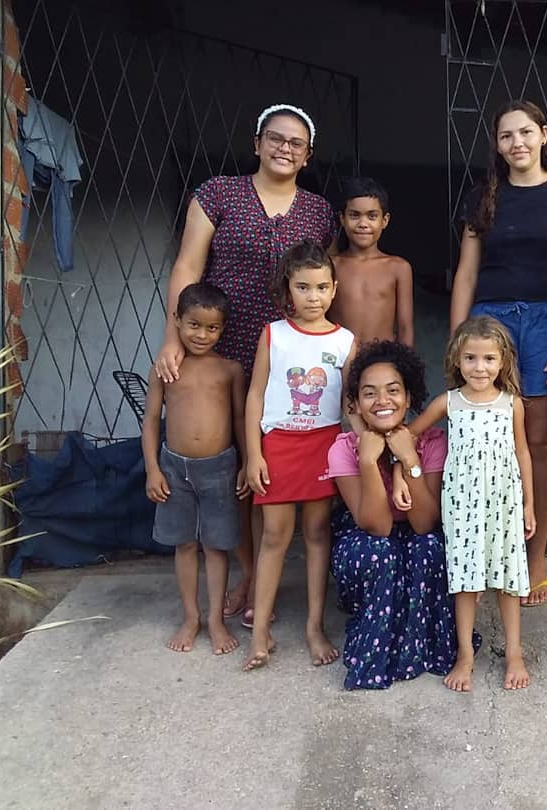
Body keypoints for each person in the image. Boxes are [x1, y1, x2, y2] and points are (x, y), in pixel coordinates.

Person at [155, 103, 335, 626]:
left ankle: (263, 577)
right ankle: (247, 571)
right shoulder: (218, 194)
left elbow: (320, 279)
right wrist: (174, 336)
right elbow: (188, 265)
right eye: (275, 139)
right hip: (222, 345)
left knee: (271, 462)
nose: (285, 148)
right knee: (232, 464)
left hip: (289, 354)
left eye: (296, 143)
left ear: (307, 156)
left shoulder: (319, 212)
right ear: (256, 143)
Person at [449, 99, 547, 607]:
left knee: (538, 441)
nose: (518, 143)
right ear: (498, 144)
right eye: (507, 136)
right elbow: (466, 271)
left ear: (545, 135)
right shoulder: (483, 196)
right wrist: (458, 337)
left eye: (526, 133)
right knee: (487, 440)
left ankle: (535, 556)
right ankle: (488, 552)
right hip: (492, 321)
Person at [395, 316, 535, 691]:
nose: (480, 367)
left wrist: (529, 505)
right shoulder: (449, 403)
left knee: (508, 580)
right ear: (457, 359)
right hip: (463, 506)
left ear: (503, 362)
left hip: (505, 501)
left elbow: (523, 452)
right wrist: (399, 472)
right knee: (466, 582)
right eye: (471, 358)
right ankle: (465, 656)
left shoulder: (512, 404)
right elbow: (407, 435)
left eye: (489, 359)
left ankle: (514, 653)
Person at [242, 241, 357, 671]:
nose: (313, 297)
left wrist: (363, 445)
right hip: (278, 445)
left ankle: (313, 627)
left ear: (334, 289)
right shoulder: (274, 334)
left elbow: (350, 404)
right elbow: (255, 395)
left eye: (322, 287)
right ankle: (259, 634)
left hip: (323, 445)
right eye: (303, 287)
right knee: (273, 536)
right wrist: (253, 453)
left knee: (316, 533)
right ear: (288, 289)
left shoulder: (346, 340)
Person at [327, 340, 461, 690]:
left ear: (409, 397)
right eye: (369, 393)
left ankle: (420, 645)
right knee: (380, 552)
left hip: (415, 532)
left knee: (429, 546)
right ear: (355, 403)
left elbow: (424, 522)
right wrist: (369, 462)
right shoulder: (343, 449)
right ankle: (376, 653)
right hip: (368, 538)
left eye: (393, 391)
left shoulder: (432, 441)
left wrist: (410, 462)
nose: (382, 401)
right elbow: (377, 526)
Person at [141, 282, 247, 655]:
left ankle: (217, 619)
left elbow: (238, 419)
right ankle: (191, 617)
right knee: (184, 544)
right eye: (194, 325)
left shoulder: (231, 370)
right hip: (174, 467)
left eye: (212, 327)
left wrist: (246, 463)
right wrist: (153, 469)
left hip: (220, 467)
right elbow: (152, 420)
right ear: (177, 322)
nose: (202, 335)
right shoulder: (165, 369)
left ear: (223, 328)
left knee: (217, 547)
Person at [328, 177, 414, 347]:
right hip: (338, 358)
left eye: (372, 216)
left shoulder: (398, 267)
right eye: (354, 215)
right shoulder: (330, 266)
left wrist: (405, 367)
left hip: (381, 359)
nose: (363, 224)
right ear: (342, 219)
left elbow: (405, 328)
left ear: (385, 220)